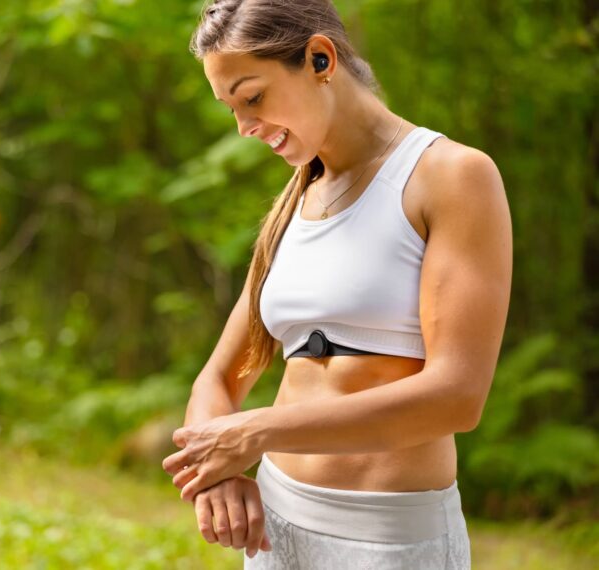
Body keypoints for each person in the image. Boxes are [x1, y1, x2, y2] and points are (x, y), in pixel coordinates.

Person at [160, 1, 513, 568]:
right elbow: (220, 377)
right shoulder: (292, 204)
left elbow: (457, 396)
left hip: (390, 541)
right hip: (275, 534)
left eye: (252, 98)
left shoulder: (451, 176)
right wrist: (218, 472)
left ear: (320, 58)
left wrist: (254, 433)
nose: (245, 128)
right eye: (231, 108)